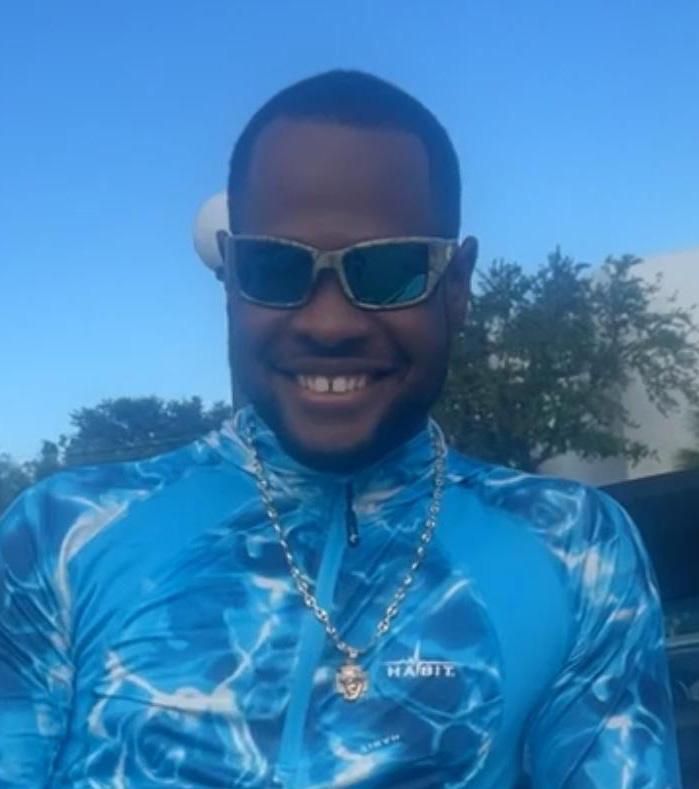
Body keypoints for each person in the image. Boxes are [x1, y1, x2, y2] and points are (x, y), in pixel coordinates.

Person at [0, 70, 680, 788]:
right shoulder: (62, 537)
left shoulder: (573, 549)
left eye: (388, 271)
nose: (329, 324)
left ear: (455, 286)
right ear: (230, 280)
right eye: (275, 268)